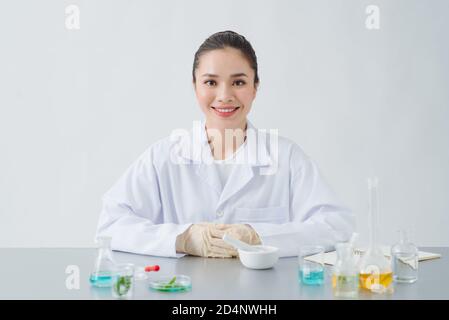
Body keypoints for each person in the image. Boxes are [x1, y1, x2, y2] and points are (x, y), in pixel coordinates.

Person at [95, 30, 355, 258]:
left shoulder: (286, 158)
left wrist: (258, 235)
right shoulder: (162, 157)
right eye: (210, 82)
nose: (225, 96)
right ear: (195, 87)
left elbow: (337, 227)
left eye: (239, 82)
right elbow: (111, 225)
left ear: (255, 87)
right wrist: (182, 238)